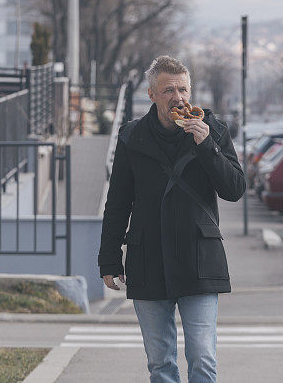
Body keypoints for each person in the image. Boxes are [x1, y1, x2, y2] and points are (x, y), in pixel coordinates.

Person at [98, 55, 246, 383]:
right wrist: (108, 259)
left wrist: (206, 145)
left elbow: (235, 189)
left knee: (203, 357)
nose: (177, 98)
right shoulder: (131, 137)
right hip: (148, 259)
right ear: (152, 95)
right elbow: (118, 202)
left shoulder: (212, 129)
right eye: (168, 90)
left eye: (183, 90)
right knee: (160, 363)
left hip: (199, 259)